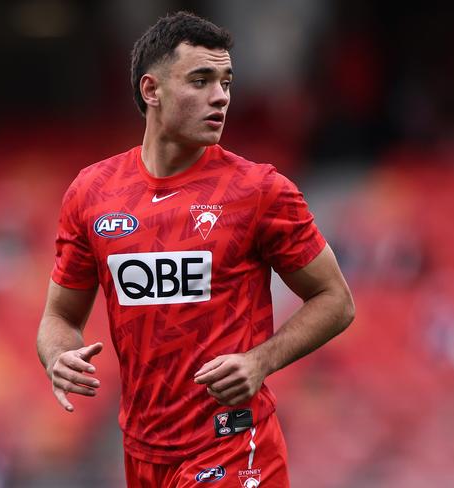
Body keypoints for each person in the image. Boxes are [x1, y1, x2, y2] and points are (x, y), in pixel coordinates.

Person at [37, 11, 354, 487]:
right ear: (152, 91)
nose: (221, 96)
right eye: (201, 80)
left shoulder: (260, 190)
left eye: (226, 81)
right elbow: (59, 317)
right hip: (143, 451)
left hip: (233, 443)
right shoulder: (91, 193)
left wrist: (260, 361)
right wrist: (59, 356)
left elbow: (336, 300)